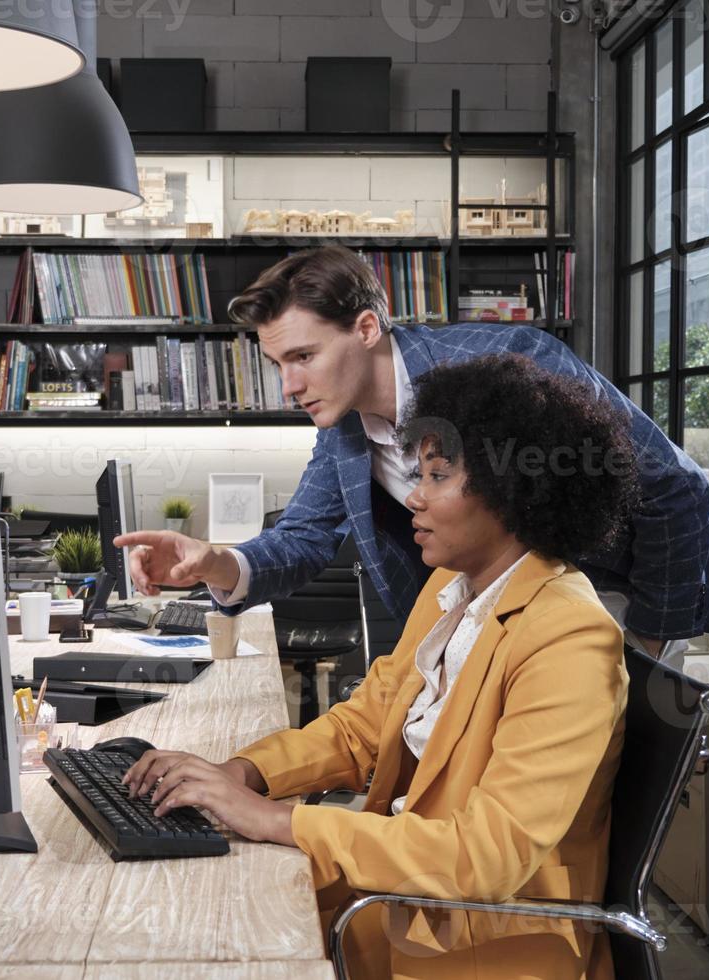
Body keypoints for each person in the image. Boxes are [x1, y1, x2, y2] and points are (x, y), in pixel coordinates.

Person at [122, 355, 636, 980]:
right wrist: (242, 774)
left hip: (490, 942)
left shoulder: (569, 637)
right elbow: (364, 725)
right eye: (418, 472)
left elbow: (486, 858)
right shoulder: (452, 586)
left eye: (438, 476)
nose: (413, 497)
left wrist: (276, 818)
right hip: (407, 902)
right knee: (189, 920)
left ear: (511, 489)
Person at [115, 245, 709, 656]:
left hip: (620, 604)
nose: (289, 385)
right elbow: (303, 542)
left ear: (367, 327)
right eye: (277, 364)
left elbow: (673, 486)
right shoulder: (343, 429)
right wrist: (213, 562)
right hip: (495, 635)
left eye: (303, 356)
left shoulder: (511, 360)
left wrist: (649, 639)